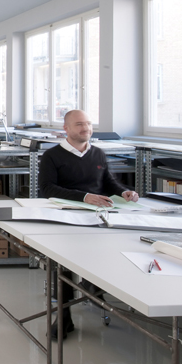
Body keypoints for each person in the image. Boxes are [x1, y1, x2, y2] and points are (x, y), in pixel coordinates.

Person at [39, 109, 139, 339]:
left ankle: (91, 284)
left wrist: (124, 192)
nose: (86, 128)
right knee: (62, 261)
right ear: (66, 129)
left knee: (113, 248)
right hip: (66, 215)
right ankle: (63, 315)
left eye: (88, 123)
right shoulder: (52, 155)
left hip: (98, 214)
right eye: (79, 124)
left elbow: (108, 183)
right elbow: (47, 188)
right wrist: (84, 197)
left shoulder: (98, 154)